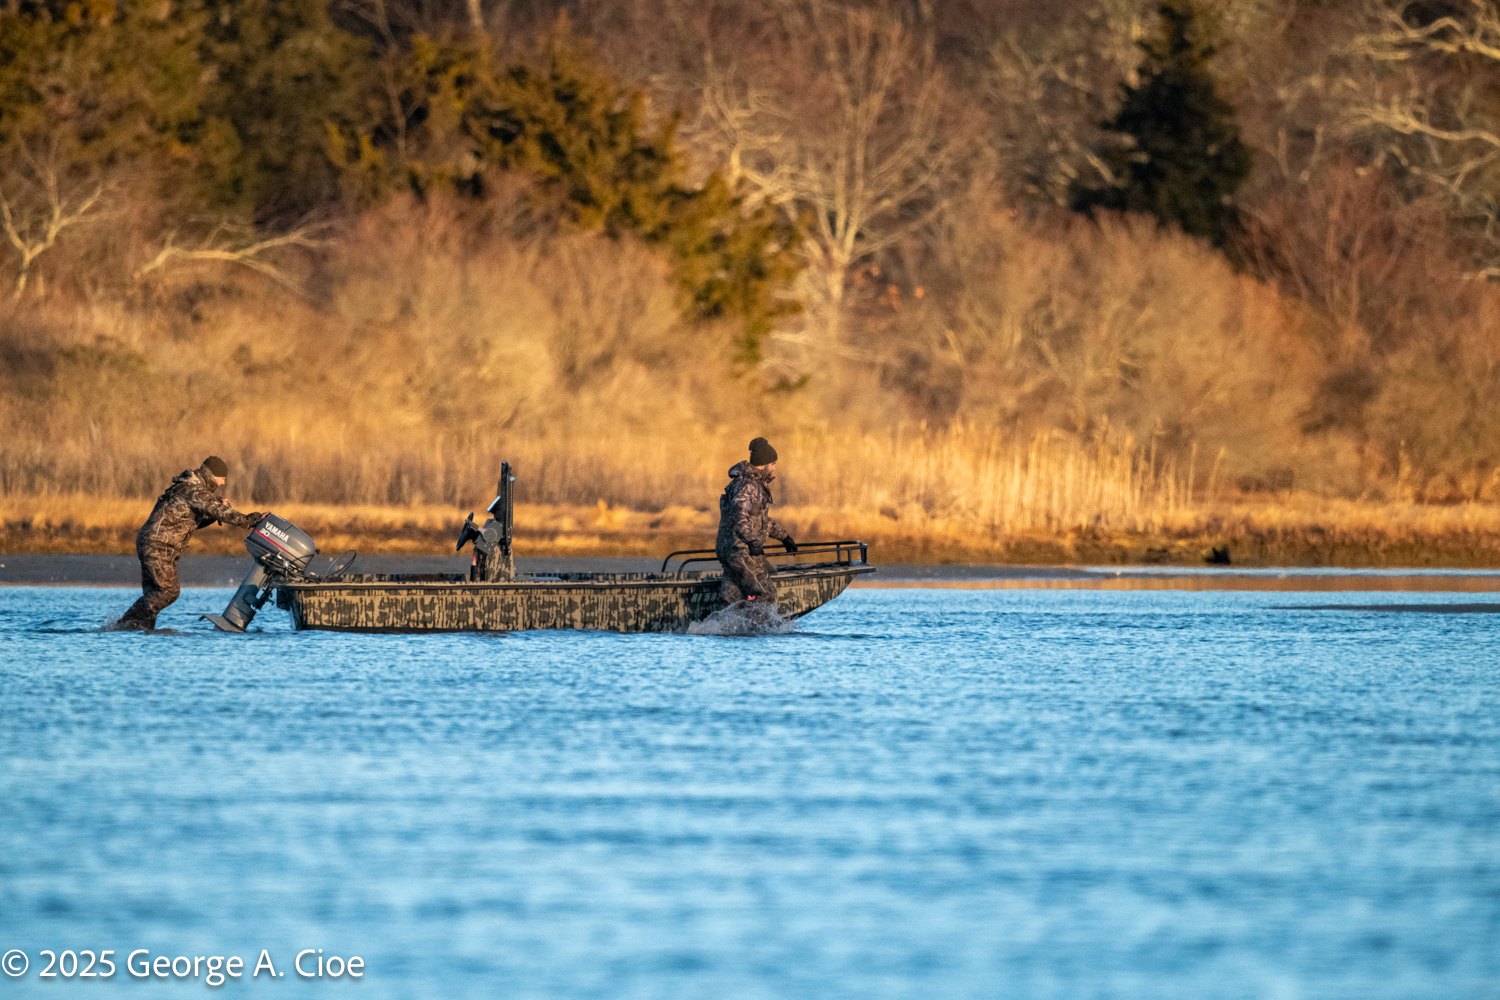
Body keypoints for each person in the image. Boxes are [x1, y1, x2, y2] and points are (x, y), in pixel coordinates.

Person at [115, 456, 263, 630]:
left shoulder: (189, 487)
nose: (222, 483)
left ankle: (138, 630)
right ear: (211, 475)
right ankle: (123, 625)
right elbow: (220, 512)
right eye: (221, 478)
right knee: (168, 592)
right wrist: (250, 520)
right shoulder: (194, 491)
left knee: (154, 594)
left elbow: (188, 523)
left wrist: (214, 513)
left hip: (153, 542)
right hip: (159, 544)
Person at [715, 437, 798, 606]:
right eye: (773, 463)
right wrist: (752, 541)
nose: (774, 468)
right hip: (741, 551)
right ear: (764, 463)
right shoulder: (747, 486)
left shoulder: (754, 485)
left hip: (733, 550)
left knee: (732, 599)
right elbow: (739, 517)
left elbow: (760, 520)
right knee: (765, 594)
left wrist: (784, 537)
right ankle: (761, 630)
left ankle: (725, 630)